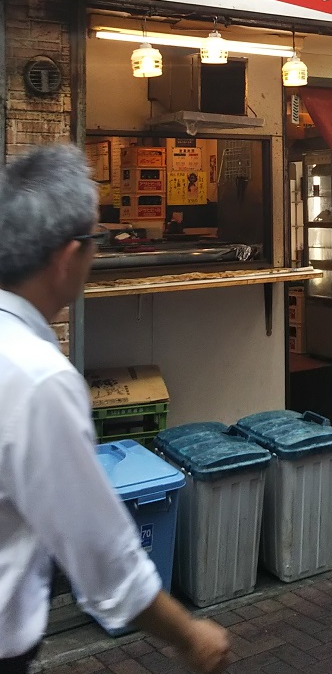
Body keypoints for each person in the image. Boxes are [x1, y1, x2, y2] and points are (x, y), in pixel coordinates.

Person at [0, 144, 230, 674]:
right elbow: (101, 551)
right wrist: (189, 634)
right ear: (66, 257)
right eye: (95, 240)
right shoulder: (38, 379)